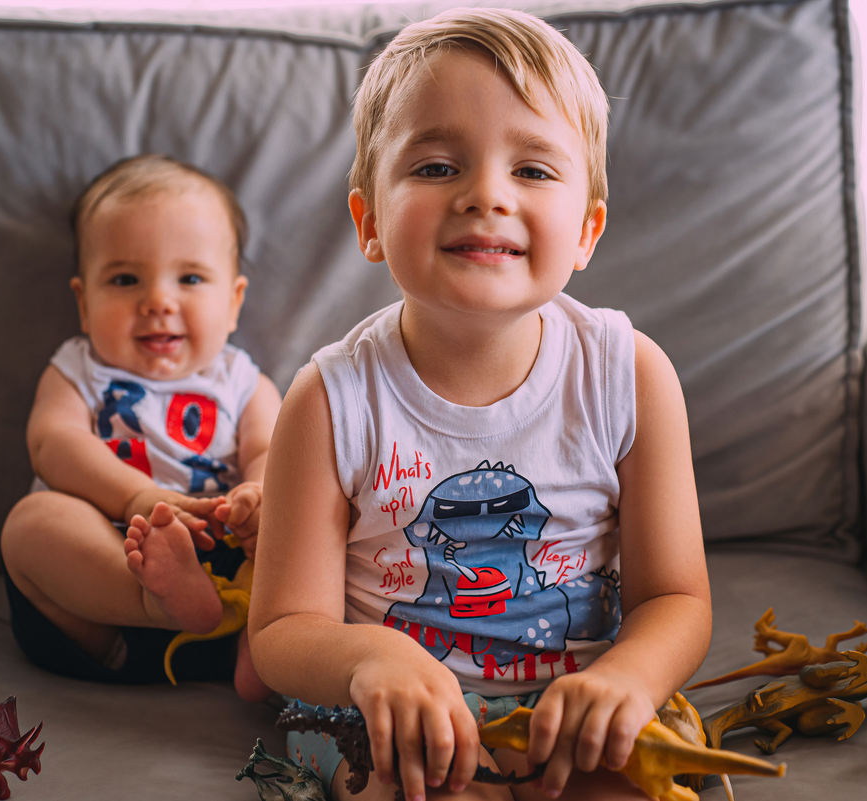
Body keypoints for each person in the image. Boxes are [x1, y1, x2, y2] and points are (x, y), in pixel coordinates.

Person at [248, 8, 711, 800]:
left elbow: (675, 597)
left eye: (532, 170)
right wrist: (370, 661)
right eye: (435, 167)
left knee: (647, 781)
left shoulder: (628, 373)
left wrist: (628, 678)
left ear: (586, 233)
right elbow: (282, 632)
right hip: (387, 709)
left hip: (574, 701)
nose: (485, 194)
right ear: (369, 222)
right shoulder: (331, 397)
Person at [1, 154, 279, 701]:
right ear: (84, 302)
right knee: (31, 524)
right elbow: (52, 444)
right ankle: (155, 601)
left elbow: (273, 449)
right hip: (104, 584)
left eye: (191, 278)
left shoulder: (243, 381)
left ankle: (263, 646)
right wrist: (137, 495)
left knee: (309, 527)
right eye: (126, 279)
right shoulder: (77, 368)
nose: (158, 302)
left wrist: (259, 497)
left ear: (233, 302)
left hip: (223, 554)